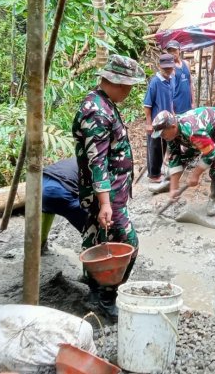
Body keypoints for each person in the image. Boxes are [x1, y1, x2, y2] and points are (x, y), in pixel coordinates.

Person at [72, 54, 145, 317]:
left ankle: (94, 292)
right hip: (106, 194)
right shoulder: (97, 111)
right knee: (127, 242)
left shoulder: (105, 104)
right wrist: (105, 203)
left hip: (110, 193)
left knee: (94, 238)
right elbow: (97, 161)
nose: (128, 91)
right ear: (111, 80)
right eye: (126, 85)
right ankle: (107, 298)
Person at [152, 107, 215, 216]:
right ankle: (169, 183)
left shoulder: (193, 131)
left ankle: (214, 198)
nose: (162, 137)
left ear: (173, 127)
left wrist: (195, 175)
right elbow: (175, 156)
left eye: (163, 134)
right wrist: (174, 188)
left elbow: (210, 153)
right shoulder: (172, 133)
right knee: (183, 153)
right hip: (206, 133)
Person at [40, 158, 86, 251]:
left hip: (38, 186)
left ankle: (39, 245)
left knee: (47, 208)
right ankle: (98, 253)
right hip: (59, 192)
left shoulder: (75, 159)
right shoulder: (96, 166)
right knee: (90, 228)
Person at [144, 54, 176, 185]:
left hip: (167, 120)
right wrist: (149, 123)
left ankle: (157, 170)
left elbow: (171, 100)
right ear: (160, 67)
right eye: (165, 68)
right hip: (157, 122)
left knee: (163, 145)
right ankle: (153, 174)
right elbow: (147, 105)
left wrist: (173, 115)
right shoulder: (155, 82)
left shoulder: (172, 79)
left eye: (170, 68)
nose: (168, 71)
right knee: (154, 147)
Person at [165, 40, 193, 114]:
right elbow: (168, 90)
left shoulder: (186, 64)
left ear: (179, 50)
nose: (172, 53)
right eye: (170, 51)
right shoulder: (170, 68)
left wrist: (193, 101)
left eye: (174, 50)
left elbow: (190, 83)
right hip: (177, 104)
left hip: (188, 103)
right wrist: (171, 109)